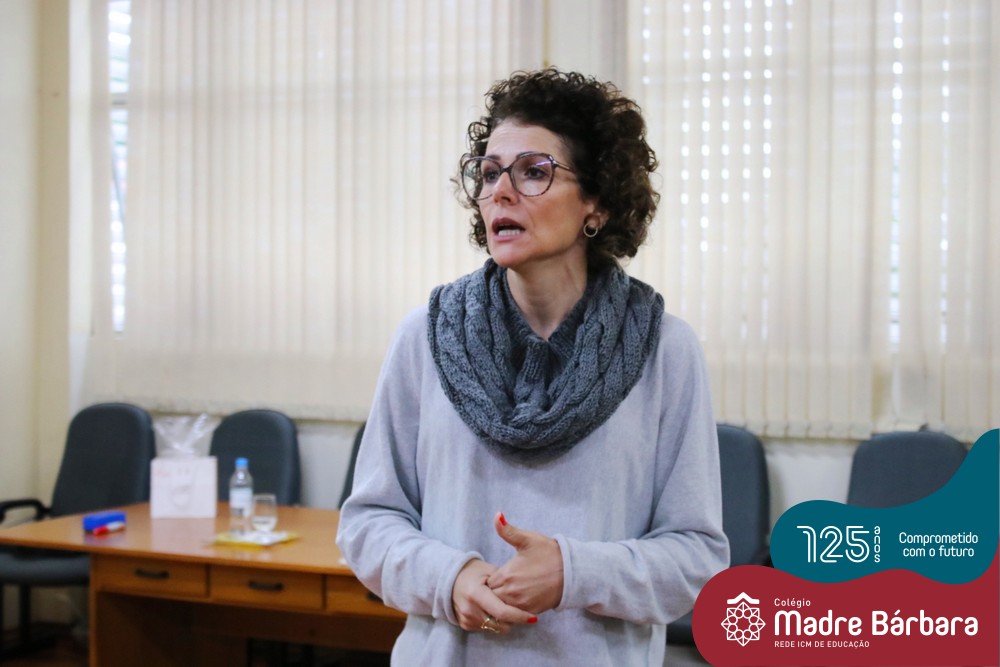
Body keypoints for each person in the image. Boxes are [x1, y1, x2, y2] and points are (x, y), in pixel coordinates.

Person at [336, 67, 729, 666]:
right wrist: (449, 578)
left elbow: (696, 557)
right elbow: (368, 523)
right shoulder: (424, 337)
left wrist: (575, 572)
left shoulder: (665, 350)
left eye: (533, 171)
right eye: (489, 172)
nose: (500, 191)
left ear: (596, 201)